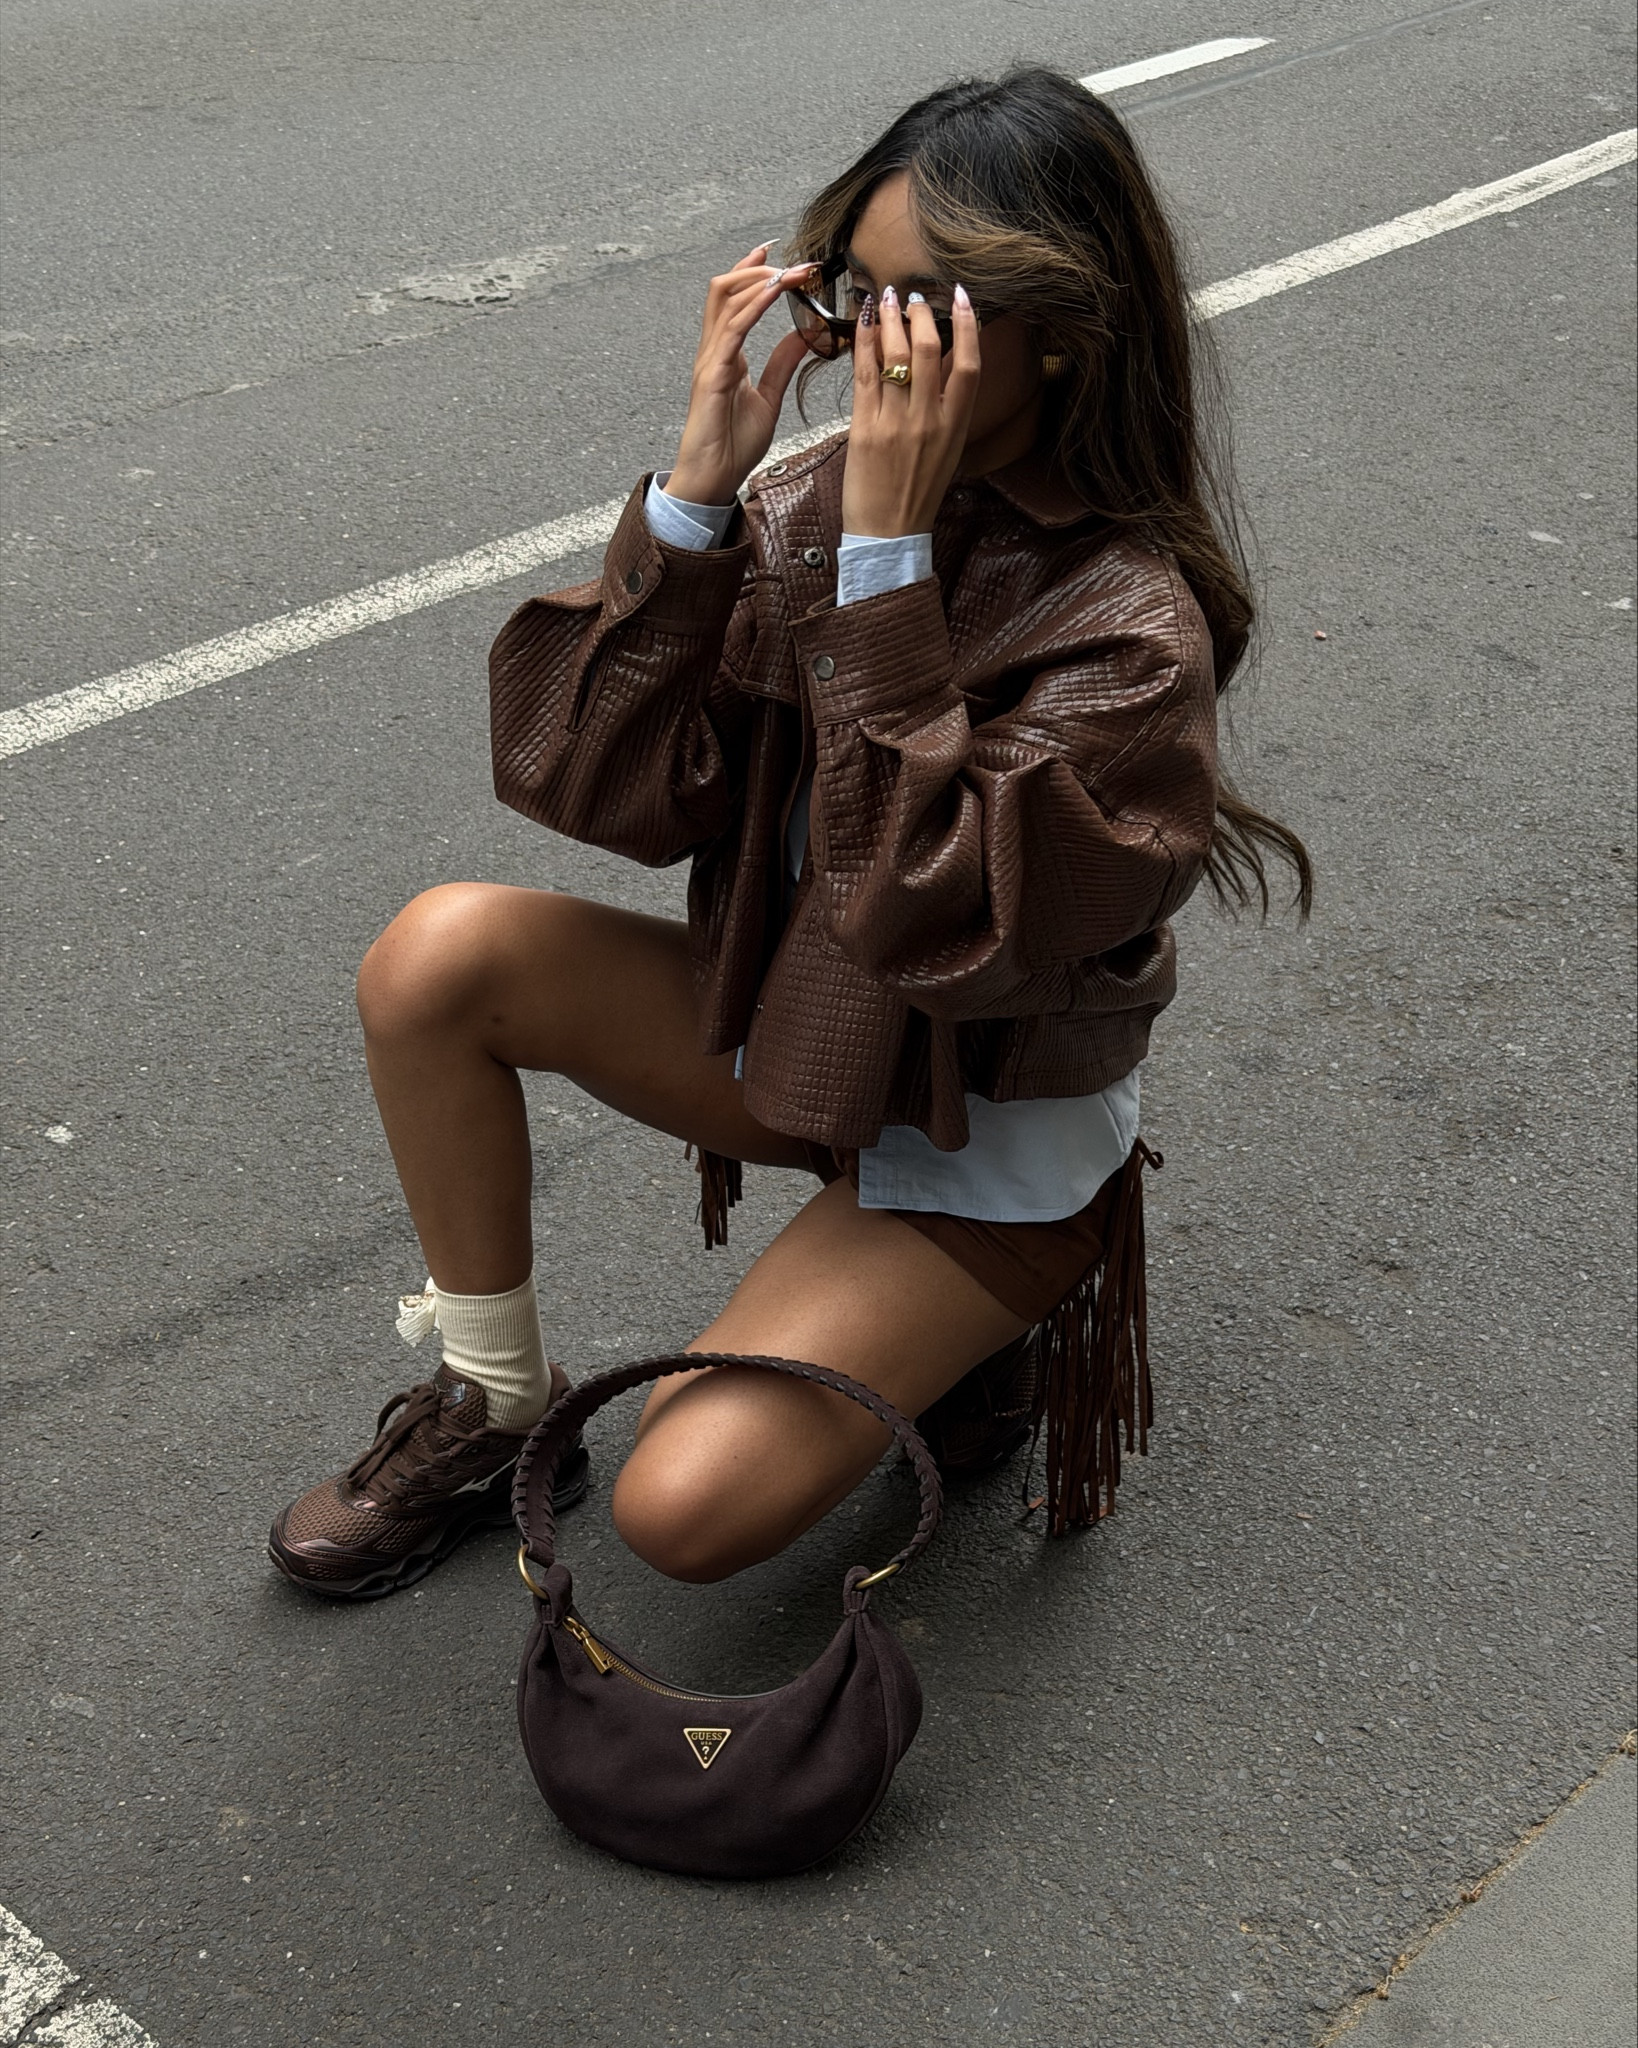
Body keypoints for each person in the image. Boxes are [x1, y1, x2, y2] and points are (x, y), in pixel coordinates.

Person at [268, 67, 1311, 1601]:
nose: (869, 346)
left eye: (922, 307)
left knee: (681, 1509)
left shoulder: (1129, 631)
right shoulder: (814, 503)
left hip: (975, 1130)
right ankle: (488, 1401)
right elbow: (594, 784)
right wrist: (694, 497)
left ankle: (992, 1324)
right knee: (439, 957)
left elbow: (935, 926)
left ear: (1058, 332)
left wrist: (886, 573)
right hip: (813, 1043)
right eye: (853, 293)